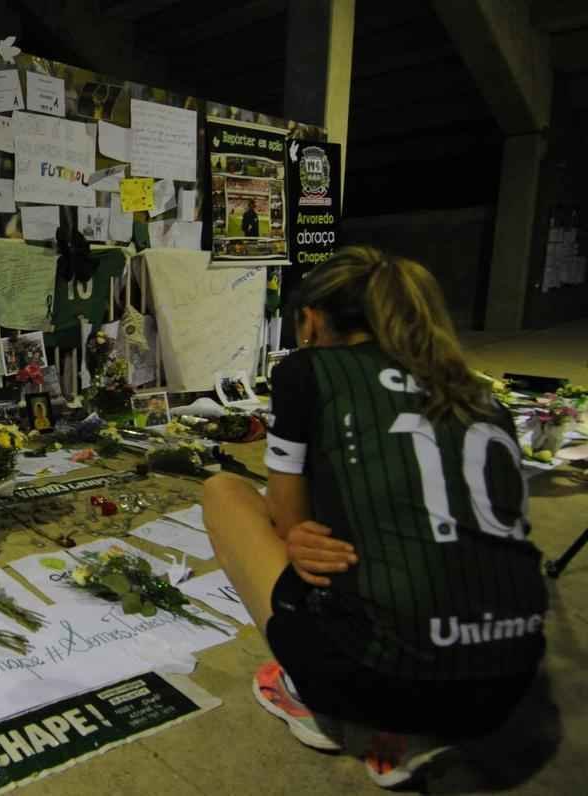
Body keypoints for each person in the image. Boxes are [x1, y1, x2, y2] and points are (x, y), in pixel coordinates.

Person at [202, 247, 546, 788]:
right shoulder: (478, 390)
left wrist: (299, 534)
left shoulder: (308, 370)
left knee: (224, 492)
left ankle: (314, 700)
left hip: (381, 681)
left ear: (311, 321)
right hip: (508, 685)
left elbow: (288, 522)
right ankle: (414, 724)